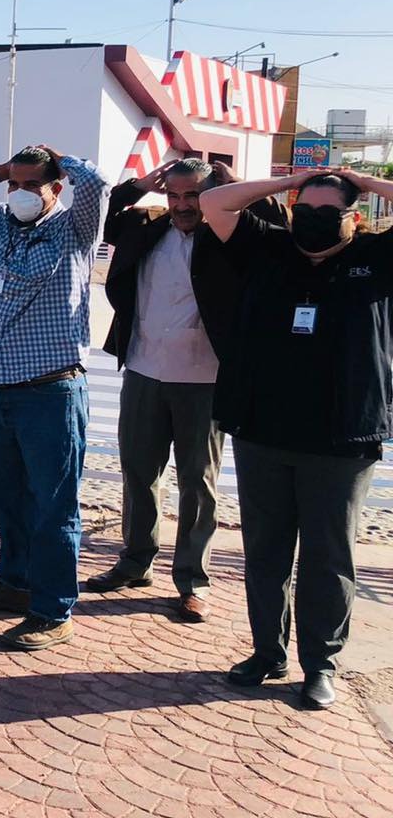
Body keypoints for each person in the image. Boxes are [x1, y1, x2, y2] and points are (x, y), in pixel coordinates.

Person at [201, 168, 393, 710]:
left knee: (329, 556)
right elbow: (216, 202)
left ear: (353, 218)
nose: (310, 223)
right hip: (263, 430)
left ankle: (320, 664)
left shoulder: (377, 259)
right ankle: (267, 652)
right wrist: (297, 179)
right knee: (265, 550)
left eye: (326, 215)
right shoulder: (270, 249)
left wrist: (361, 179)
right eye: (303, 212)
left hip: (342, 438)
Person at [86, 159, 285, 621]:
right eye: (173, 196)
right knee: (138, 471)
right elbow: (98, 215)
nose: (181, 206)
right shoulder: (146, 227)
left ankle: (193, 579)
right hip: (143, 368)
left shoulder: (234, 236)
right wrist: (138, 186)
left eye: (192, 196)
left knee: (198, 482)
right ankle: (135, 562)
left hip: (206, 378)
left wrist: (232, 187)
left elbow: (278, 222)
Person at [0, 145, 109, 652]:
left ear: (55, 188)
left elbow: (98, 185)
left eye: (35, 185)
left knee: (54, 506)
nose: (22, 193)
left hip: (51, 389)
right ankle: (14, 582)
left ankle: (53, 610)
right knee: (4, 493)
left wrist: (61, 160)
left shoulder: (75, 228)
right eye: (16, 185)